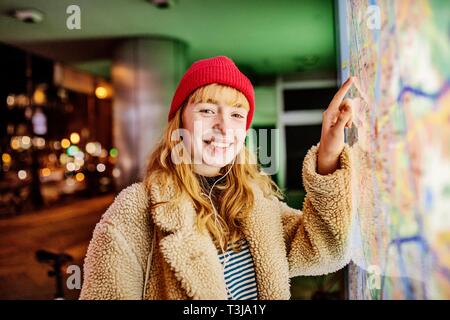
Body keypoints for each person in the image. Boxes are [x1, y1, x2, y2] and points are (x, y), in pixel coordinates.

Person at [79, 56, 354, 300]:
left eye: (236, 114)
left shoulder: (256, 203)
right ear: (179, 121)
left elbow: (327, 249)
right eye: (207, 110)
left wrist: (329, 154)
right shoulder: (134, 212)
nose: (223, 125)